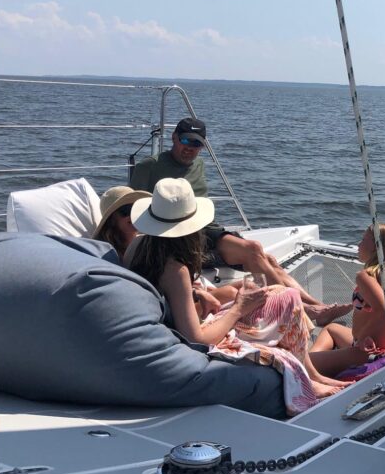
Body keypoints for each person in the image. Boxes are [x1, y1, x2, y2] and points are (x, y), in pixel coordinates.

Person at [125, 178, 346, 414]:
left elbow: (161, 292)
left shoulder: (138, 247)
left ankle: (312, 373)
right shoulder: (175, 270)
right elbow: (196, 339)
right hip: (189, 336)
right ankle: (309, 379)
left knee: (283, 294)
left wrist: (197, 292)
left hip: (174, 322)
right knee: (286, 299)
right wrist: (239, 308)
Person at [129, 117, 349, 326]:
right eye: (186, 140)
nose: (190, 148)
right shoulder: (149, 167)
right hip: (178, 237)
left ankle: (318, 307)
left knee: (264, 256)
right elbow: (133, 212)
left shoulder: (198, 164)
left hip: (204, 230)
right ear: (174, 137)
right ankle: (309, 310)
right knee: (255, 252)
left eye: (197, 144)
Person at [310, 224, 385, 378]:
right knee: (331, 328)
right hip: (384, 347)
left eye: (363, 240)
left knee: (301, 364)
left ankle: (315, 364)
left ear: (376, 247)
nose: (358, 244)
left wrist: (362, 339)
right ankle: (319, 358)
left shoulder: (365, 276)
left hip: (364, 352)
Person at [92, 185, 151, 259]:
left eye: (136, 208)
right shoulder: (103, 252)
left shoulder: (147, 243)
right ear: (112, 219)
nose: (133, 214)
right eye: (126, 210)